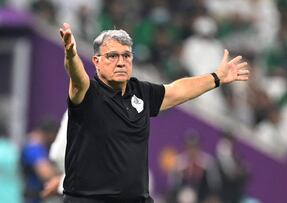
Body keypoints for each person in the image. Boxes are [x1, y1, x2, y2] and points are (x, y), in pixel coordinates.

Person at [59, 22, 249, 203]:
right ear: (96, 62)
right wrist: (71, 54)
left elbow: (178, 90)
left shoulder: (141, 92)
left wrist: (216, 77)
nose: (121, 62)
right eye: (112, 56)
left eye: (126, 56)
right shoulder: (88, 93)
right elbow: (77, 77)